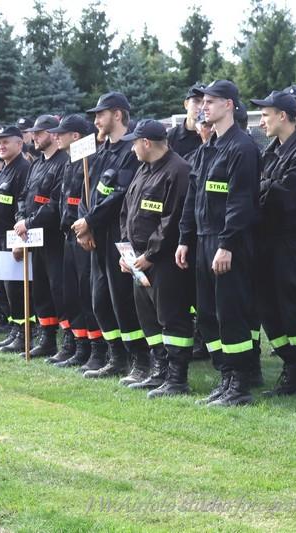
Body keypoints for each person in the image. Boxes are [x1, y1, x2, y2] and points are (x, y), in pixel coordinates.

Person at [177, 80, 262, 407]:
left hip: (229, 242)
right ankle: (225, 376)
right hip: (202, 240)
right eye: (203, 102)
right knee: (208, 315)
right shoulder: (207, 148)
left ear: (229, 105)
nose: (204, 107)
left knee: (231, 313)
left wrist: (226, 244)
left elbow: (240, 203)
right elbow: (192, 198)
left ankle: (239, 384)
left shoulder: (242, 148)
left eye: (211, 102)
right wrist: (184, 239)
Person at [250, 90, 296, 398]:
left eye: (266, 115)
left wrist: (264, 187)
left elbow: (287, 195)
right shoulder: (271, 151)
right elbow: (262, 191)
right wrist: (267, 188)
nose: (261, 121)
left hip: (291, 243)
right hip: (267, 241)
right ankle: (292, 369)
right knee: (269, 310)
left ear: (282, 116)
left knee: (293, 310)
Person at [72, 92, 148, 380]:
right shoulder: (101, 151)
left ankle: (140, 360)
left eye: (100, 114)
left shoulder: (131, 150)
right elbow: (86, 191)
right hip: (96, 236)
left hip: (120, 235)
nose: (96, 121)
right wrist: (85, 225)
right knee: (100, 300)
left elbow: (119, 196)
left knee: (123, 300)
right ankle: (115, 356)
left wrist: (89, 221)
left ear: (117, 115)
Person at [119, 120, 194, 396]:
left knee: (171, 317)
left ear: (146, 143)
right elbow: (127, 211)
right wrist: (126, 252)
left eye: (134, 143)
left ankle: (176, 378)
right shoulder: (143, 169)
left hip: (163, 262)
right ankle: (159, 371)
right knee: (148, 318)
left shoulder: (178, 170)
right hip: (138, 261)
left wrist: (151, 255)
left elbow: (172, 220)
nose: (132, 149)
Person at [48, 115, 105, 368]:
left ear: (76, 136)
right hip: (68, 236)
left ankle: (97, 350)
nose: (56, 137)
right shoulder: (70, 162)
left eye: (61, 133)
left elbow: (90, 198)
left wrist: (87, 227)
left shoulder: (91, 160)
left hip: (84, 237)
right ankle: (79, 345)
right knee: (71, 294)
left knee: (87, 294)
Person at [14, 115, 69, 359]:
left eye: (39, 133)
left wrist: (29, 222)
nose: (34, 137)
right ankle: (46, 338)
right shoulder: (36, 164)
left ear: (53, 134)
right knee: (40, 290)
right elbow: (23, 195)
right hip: (33, 238)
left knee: (59, 289)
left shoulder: (63, 162)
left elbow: (55, 203)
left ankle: (69, 341)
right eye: (33, 133)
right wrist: (21, 218)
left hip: (54, 237)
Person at [0, 126, 31, 354]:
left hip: (12, 239)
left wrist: (18, 242)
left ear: (19, 144)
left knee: (15, 290)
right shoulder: (5, 169)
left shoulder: (23, 169)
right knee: (3, 289)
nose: (0, 146)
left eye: (5, 142)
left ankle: (24, 334)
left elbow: (22, 207)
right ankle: (15, 329)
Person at [167, 83, 206, 158]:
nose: (201, 107)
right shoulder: (171, 136)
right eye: (196, 101)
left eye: (205, 102)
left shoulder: (212, 135)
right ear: (186, 104)